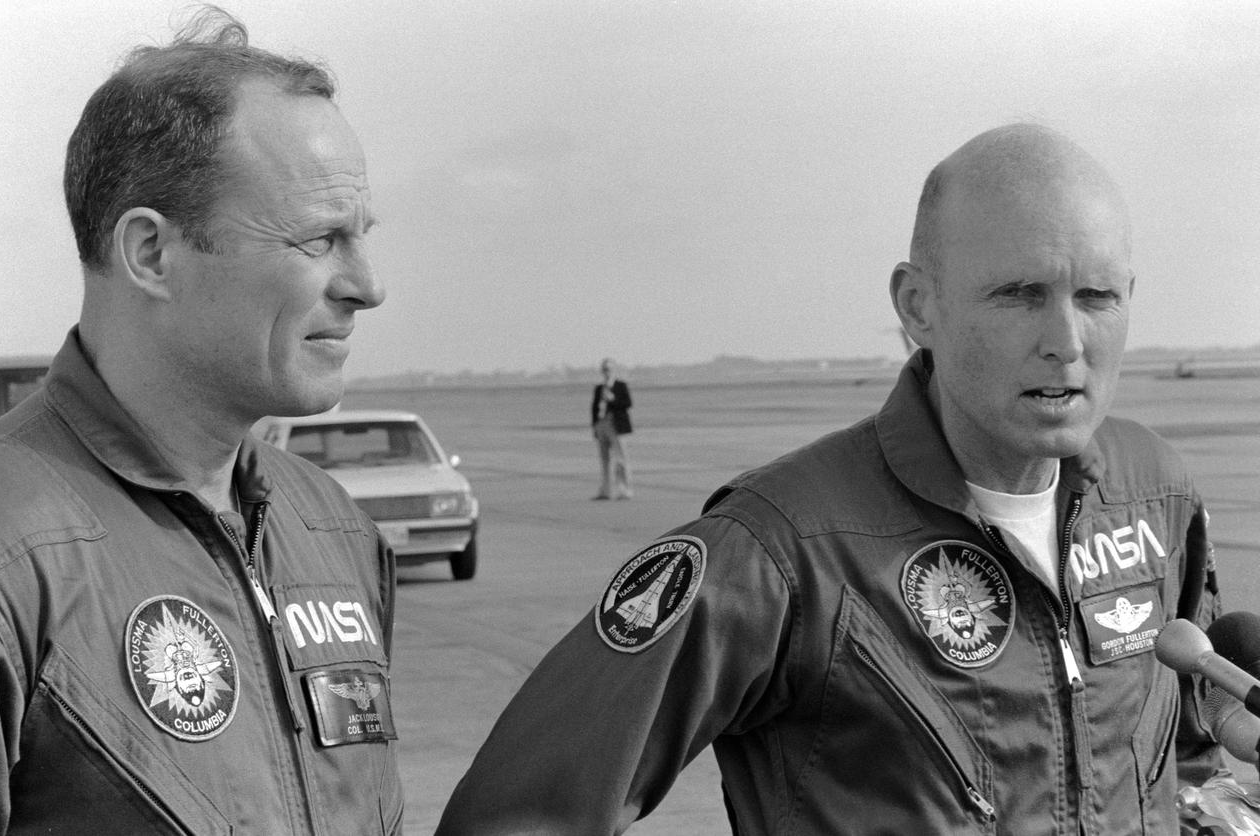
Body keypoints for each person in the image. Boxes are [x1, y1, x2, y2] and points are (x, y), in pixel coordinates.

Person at [437, 124, 1223, 834]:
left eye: (1097, 297)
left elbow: (1186, 756)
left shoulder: (1156, 496)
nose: (1066, 340)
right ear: (918, 306)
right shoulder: (783, 551)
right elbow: (518, 815)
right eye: (1019, 296)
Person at [0, 8, 405, 834]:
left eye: (362, 236)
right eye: (319, 239)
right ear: (151, 254)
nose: (366, 285)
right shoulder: (4, 556)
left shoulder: (337, 532)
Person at [590, 357, 634, 499]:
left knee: (621, 459)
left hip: (616, 425)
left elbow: (627, 403)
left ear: (613, 370)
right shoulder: (599, 388)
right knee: (604, 460)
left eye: (608, 369)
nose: (606, 372)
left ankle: (624, 490)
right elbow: (594, 408)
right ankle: (606, 491)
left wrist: (613, 399)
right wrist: (595, 427)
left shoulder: (620, 386)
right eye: (604, 369)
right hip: (602, 425)